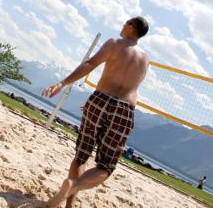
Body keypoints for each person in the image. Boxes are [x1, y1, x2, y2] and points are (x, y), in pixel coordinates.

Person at [42, 17, 150, 208]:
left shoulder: (115, 43)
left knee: (81, 155)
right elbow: (133, 88)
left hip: (100, 100)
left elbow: (90, 64)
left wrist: (62, 83)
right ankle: (73, 191)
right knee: (105, 167)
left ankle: (71, 192)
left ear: (132, 27)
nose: (122, 25)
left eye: (125, 23)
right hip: (125, 109)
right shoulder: (145, 59)